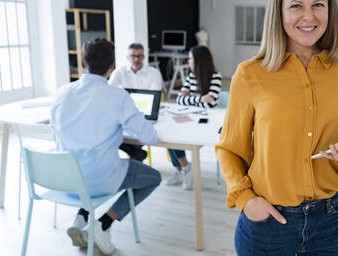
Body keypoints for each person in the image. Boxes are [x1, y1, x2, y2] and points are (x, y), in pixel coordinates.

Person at [215, 0, 338, 256]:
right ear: (279, 11)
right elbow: (230, 149)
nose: (308, 17)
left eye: (318, 4)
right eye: (296, 6)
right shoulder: (250, 74)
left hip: (334, 222)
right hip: (267, 222)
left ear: (330, 10)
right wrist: (246, 200)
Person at [51, 38, 162, 255]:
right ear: (112, 66)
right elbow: (151, 138)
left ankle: (80, 218)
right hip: (100, 179)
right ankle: (103, 224)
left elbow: (57, 134)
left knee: (88, 161)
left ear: (84, 63)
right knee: (153, 177)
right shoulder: (117, 97)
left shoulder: (62, 93)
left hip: (66, 179)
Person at [165, 45, 222, 190]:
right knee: (170, 136)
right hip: (189, 117)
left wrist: (190, 99)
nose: (188, 61)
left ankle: (185, 168)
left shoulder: (216, 77)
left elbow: (209, 105)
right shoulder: (191, 77)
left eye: (190, 58)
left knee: (175, 137)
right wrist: (200, 99)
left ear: (198, 60)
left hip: (207, 122)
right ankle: (182, 168)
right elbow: (179, 100)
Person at [109, 43, 163, 161]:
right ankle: (135, 156)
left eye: (139, 56)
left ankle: (134, 159)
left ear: (144, 57)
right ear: (127, 57)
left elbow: (155, 97)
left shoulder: (153, 73)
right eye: (133, 56)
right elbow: (109, 91)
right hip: (124, 114)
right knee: (109, 134)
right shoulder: (120, 72)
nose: (136, 59)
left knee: (137, 134)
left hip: (144, 113)